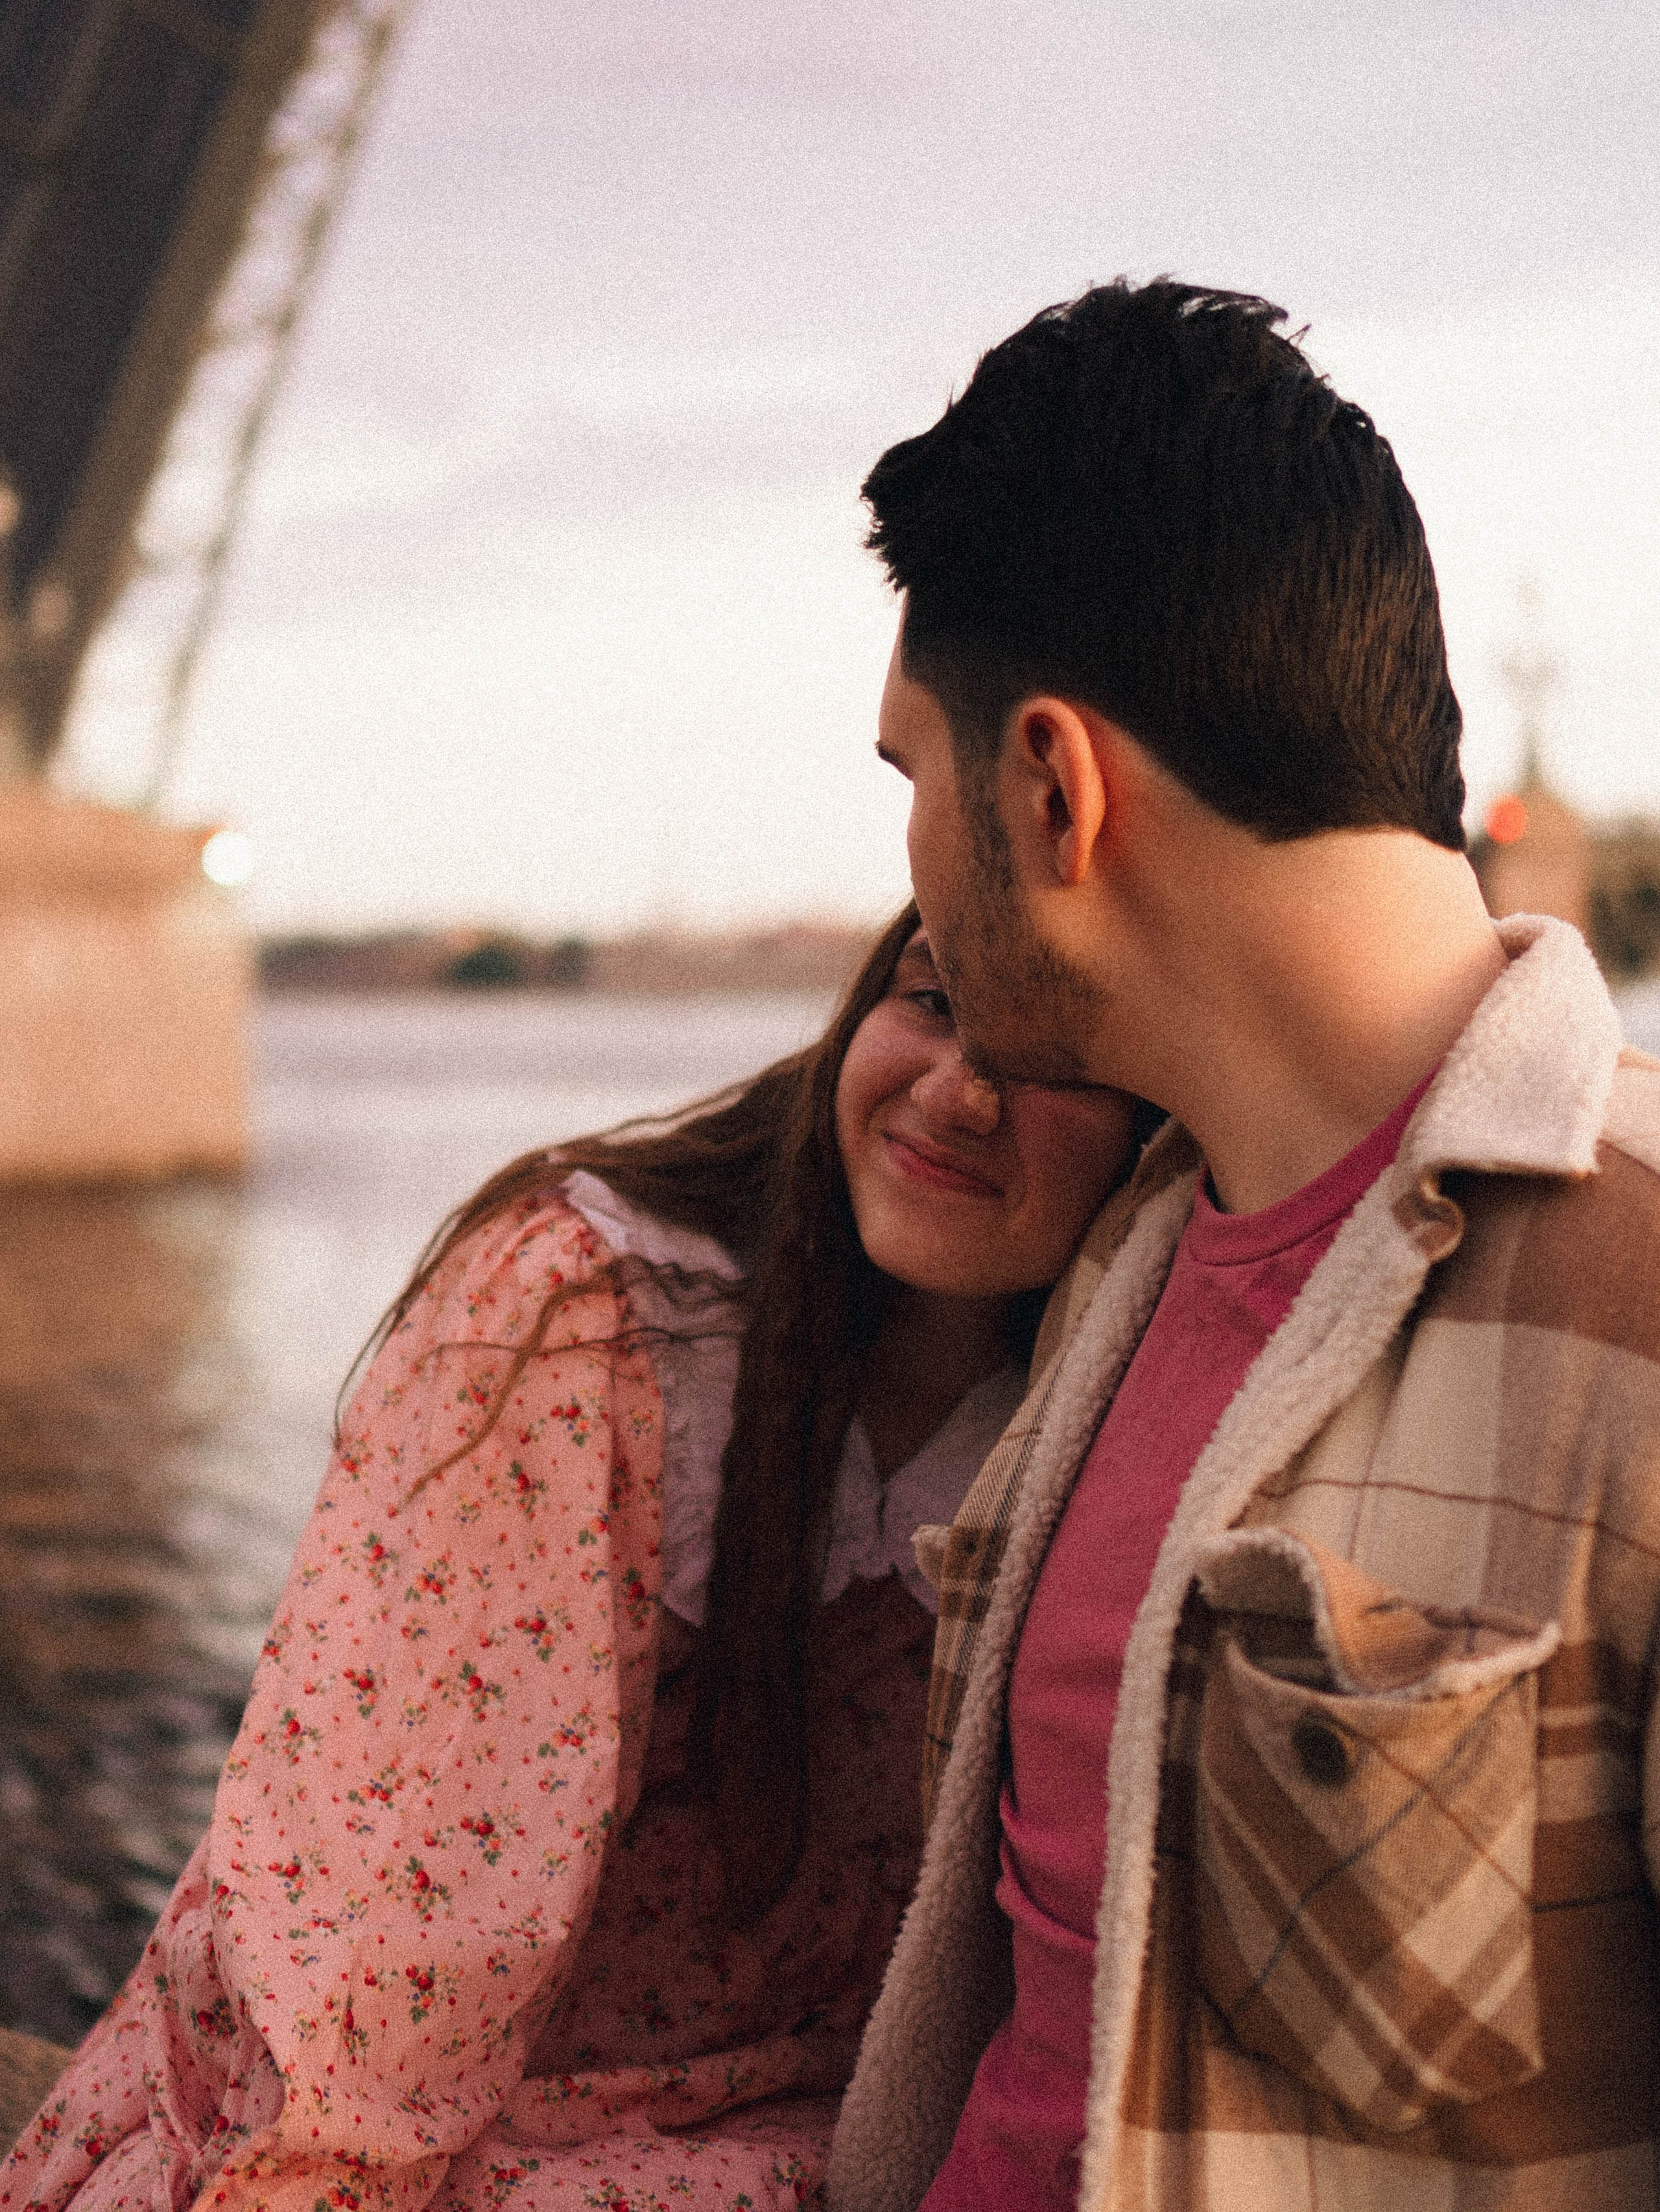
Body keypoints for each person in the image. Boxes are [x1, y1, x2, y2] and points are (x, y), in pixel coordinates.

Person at [828, 280, 1660, 2212]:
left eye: (912, 785)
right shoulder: (1128, 1241)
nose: (915, 880)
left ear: (1051, 788)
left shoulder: (1641, 1299)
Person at [2, 907, 1138, 2212]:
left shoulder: (1113, 1408)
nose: (961, 1093)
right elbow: (386, 1936)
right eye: (929, 1003)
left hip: (808, 2140)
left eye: (1053, 1060)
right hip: (415, 2128)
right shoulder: (591, 1319)